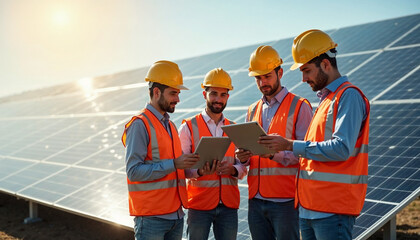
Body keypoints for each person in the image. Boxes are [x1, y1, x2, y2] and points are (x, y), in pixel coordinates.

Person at [258, 30, 370, 240]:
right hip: (310, 207)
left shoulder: (348, 96)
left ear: (326, 64)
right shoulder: (325, 101)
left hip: (333, 209)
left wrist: (289, 144)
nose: (303, 78)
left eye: (307, 70)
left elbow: (342, 149)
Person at [235, 45, 313, 240]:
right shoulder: (252, 110)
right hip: (256, 200)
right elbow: (250, 154)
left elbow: (307, 154)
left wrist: (273, 154)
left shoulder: (300, 106)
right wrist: (243, 158)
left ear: (280, 72)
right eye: (258, 78)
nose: (263, 82)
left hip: (285, 201)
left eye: (267, 76)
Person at [121, 60, 200, 240]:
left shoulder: (171, 126)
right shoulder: (140, 125)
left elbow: (176, 170)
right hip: (151, 219)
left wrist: (199, 169)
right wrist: (173, 164)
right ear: (156, 92)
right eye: (173, 93)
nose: (178, 99)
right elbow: (133, 172)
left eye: (178, 93)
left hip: (176, 216)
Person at [178, 68, 247, 240]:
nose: (218, 99)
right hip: (199, 205)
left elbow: (244, 165)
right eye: (214, 93)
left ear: (228, 97)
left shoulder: (235, 128)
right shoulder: (188, 127)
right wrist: (200, 171)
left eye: (223, 95)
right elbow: (181, 168)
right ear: (204, 94)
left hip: (229, 206)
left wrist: (233, 170)